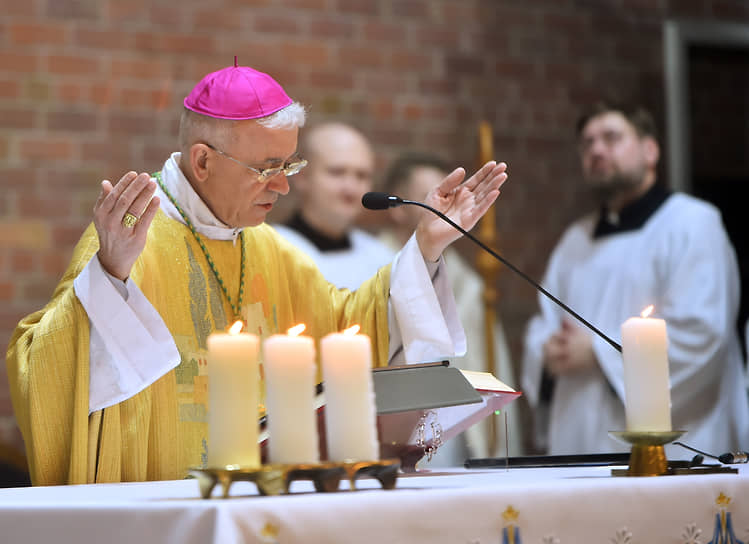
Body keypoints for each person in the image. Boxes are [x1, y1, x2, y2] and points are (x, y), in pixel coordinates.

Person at [6, 63, 508, 486]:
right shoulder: (129, 238)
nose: (283, 188)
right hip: (163, 507)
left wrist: (426, 245)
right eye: (267, 168)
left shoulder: (268, 248)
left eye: (289, 166)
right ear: (202, 160)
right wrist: (111, 276)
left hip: (260, 498)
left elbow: (349, 328)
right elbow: (43, 371)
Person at [521, 101, 749, 457]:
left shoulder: (692, 223)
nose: (596, 149)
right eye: (587, 143)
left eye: (611, 137)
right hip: (579, 435)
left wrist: (599, 353)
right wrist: (548, 353)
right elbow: (543, 324)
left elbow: (702, 331)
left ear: (650, 149)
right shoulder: (574, 240)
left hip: (683, 443)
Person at [381, 153, 523, 461]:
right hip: (395, 429)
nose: (439, 206)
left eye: (445, 196)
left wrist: (497, 443)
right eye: (427, 197)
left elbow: (489, 361)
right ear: (396, 209)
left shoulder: (467, 282)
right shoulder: (373, 264)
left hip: (457, 434)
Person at [272, 122, 393, 290]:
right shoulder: (272, 251)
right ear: (302, 177)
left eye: (361, 176)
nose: (350, 188)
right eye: (337, 172)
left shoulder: (382, 259)